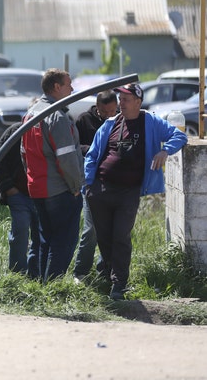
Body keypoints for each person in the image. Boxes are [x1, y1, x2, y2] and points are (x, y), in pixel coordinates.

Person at [84, 83, 187, 300]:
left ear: (138, 102)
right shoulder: (110, 124)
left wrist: (164, 151)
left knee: (121, 235)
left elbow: (179, 136)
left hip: (128, 191)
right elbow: (93, 155)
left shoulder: (150, 121)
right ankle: (108, 274)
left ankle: (119, 284)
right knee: (104, 237)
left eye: (126, 99)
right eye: (120, 99)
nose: (121, 103)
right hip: (100, 189)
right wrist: (88, 184)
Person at [21, 68, 84, 282]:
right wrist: (75, 187)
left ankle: (42, 285)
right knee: (63, 242)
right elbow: (66, 158)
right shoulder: (56, 116)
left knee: (45, 240)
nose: (72, 88)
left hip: (37, 189)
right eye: (68, 84)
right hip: (60, 190)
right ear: (57, 87)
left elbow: (24, 154)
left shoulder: (31, 113)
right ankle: (54, 289)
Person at [72, 90, 118, 282]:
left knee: (111, 230)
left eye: (113, 111)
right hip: (90, 181)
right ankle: (80, 271)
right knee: (91, 229)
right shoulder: (84, 120)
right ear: (97, 108)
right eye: (105, 111)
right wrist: (95, 149)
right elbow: (75, 146)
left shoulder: (120, 121)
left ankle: (104, 272)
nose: (109, 115)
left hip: (114, 182)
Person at [0, 122, 41, 278]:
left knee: (40, 234)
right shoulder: (15, 131)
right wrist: (8, 188)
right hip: (18, 192)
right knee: (20, 229)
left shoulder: (48, 130)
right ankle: (17, 274)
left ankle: (35, 274)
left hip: (42, 193)